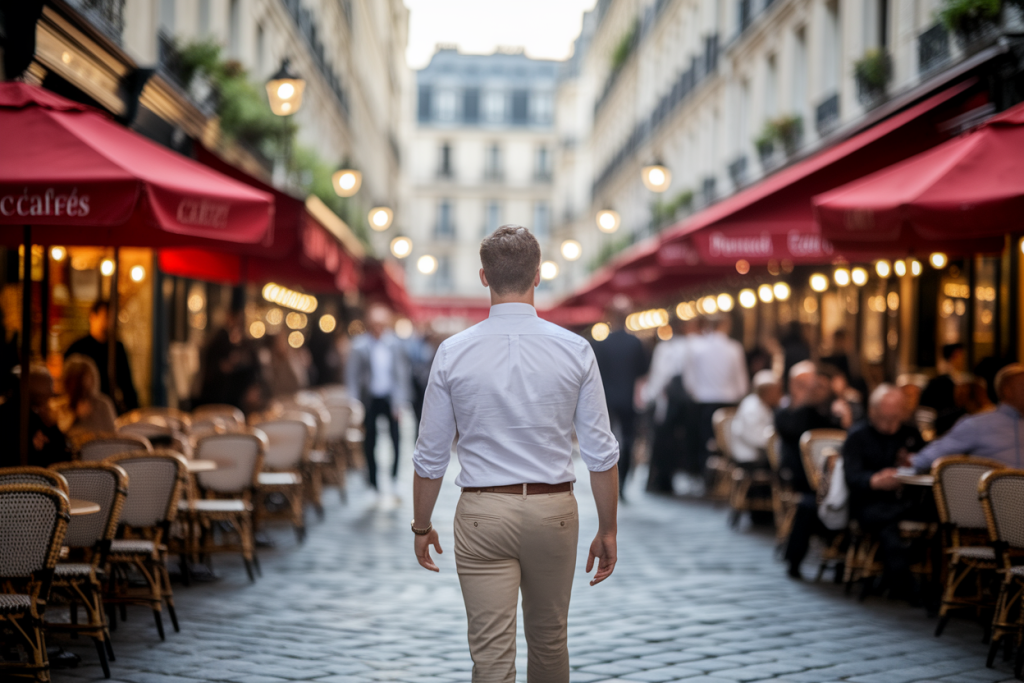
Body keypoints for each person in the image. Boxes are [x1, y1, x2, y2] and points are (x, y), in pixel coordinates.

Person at [411, 225, 619, 683]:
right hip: (553, 509)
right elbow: (601, 455)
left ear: (483, 277)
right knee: (550, 643)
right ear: (538, 275)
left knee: (489, 656)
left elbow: (430, 457)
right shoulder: (576, 349)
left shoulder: (451, 352)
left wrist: (421, 525)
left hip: (483, 512)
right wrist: (608, 529)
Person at [844, 384, 926, 598]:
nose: (890, 426)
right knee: (888, 525)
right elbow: (852, 476)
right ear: (873, 412)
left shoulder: (910, 433)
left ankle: (895, 580)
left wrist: (910, 465)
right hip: (869, 502)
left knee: (929, 521)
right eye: (884, 419)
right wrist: (874, 481)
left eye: (895, 418)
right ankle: (906, 586)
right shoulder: (858, 436)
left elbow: (925, 462)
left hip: (905, 501)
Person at [776, 361, 852, 577]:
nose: (814, 390)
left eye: (820, 387)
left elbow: (847, 440)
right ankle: (795, 560)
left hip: (837, 479)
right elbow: (790, 429)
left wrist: (845, 417)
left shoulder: (834, 411)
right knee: (809, 504)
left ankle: (842, 561)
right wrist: (806, 403)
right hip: (802, 478)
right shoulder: (790, 412)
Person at [911, 363, 1024, 472]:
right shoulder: (977, 424)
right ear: (1007, 390)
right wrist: (910, 463)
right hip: (996, 490)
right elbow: (925, 459)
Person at [347, 304, 410, 492]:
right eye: (374, 323)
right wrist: (354, 403)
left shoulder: (395, 344)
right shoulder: (359, 345)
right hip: (370, 399)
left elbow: (401, 375)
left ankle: (394, 477)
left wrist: (400, 402)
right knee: (370, 441)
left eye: (381, 323)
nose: (377, 328)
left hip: (390, 399)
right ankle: (373, 481)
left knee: (396, 440)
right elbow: (352, 377)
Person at [591, 296, 647, 500]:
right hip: (629, 401)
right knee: (628, 441)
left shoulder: (601, 345)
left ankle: (608, 485)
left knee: (605, 441)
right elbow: (642, 377)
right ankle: (622, 483)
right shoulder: (636, 343)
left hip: (605, 401)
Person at [684, 314, 748, 476]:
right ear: (726, 325)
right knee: (725, 442)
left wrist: (695, 393)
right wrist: (740, 395)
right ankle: (723, 478)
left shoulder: (697, 347)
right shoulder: (734, 348)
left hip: (703, 401)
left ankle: (705, 476)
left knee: (705, 442)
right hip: (728, 401)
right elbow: (741, 379)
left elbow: (689, 379)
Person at [642, 317, 694, 493]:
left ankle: (662, 480)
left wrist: (650, 396)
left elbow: (660, 376)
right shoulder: (689, 346)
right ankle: (667, 479)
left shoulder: (667, 348)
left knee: (663, 442)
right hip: (684, 403)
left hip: (668, 402)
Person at [64, 300, 138, 414]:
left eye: (112, 317)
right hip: (83, 410)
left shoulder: (117, 348)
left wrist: (134, 411)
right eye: (106, 316)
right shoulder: (78, 348)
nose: (109, 322)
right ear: (93, 317)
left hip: (110, 408)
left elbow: (127, 384)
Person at [0, 365, 70, 468]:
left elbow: (63, 455)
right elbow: (61, 457)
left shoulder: (43, 417)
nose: (52, 393)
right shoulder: (11, 416)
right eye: (49, 388)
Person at [730, 370, 783, 465]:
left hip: (764, 452)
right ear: (767, 392)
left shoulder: (767, 404)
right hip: (750, 455)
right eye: (777, 391)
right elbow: (758, 439)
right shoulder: (751, 408)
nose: (780, 395)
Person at [62, 354, 117, 435]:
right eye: (77, 380)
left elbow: (113, 434)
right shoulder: (61, 407)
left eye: (86, 378)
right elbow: (60, 436)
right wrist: (74, 415)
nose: (83, 384)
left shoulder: (103, 404)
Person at [920, 343, 967, 436]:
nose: (963, 359)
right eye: (961, 355)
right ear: (955, 355)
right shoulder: (941, 382)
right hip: (944, 430)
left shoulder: (960, 379)